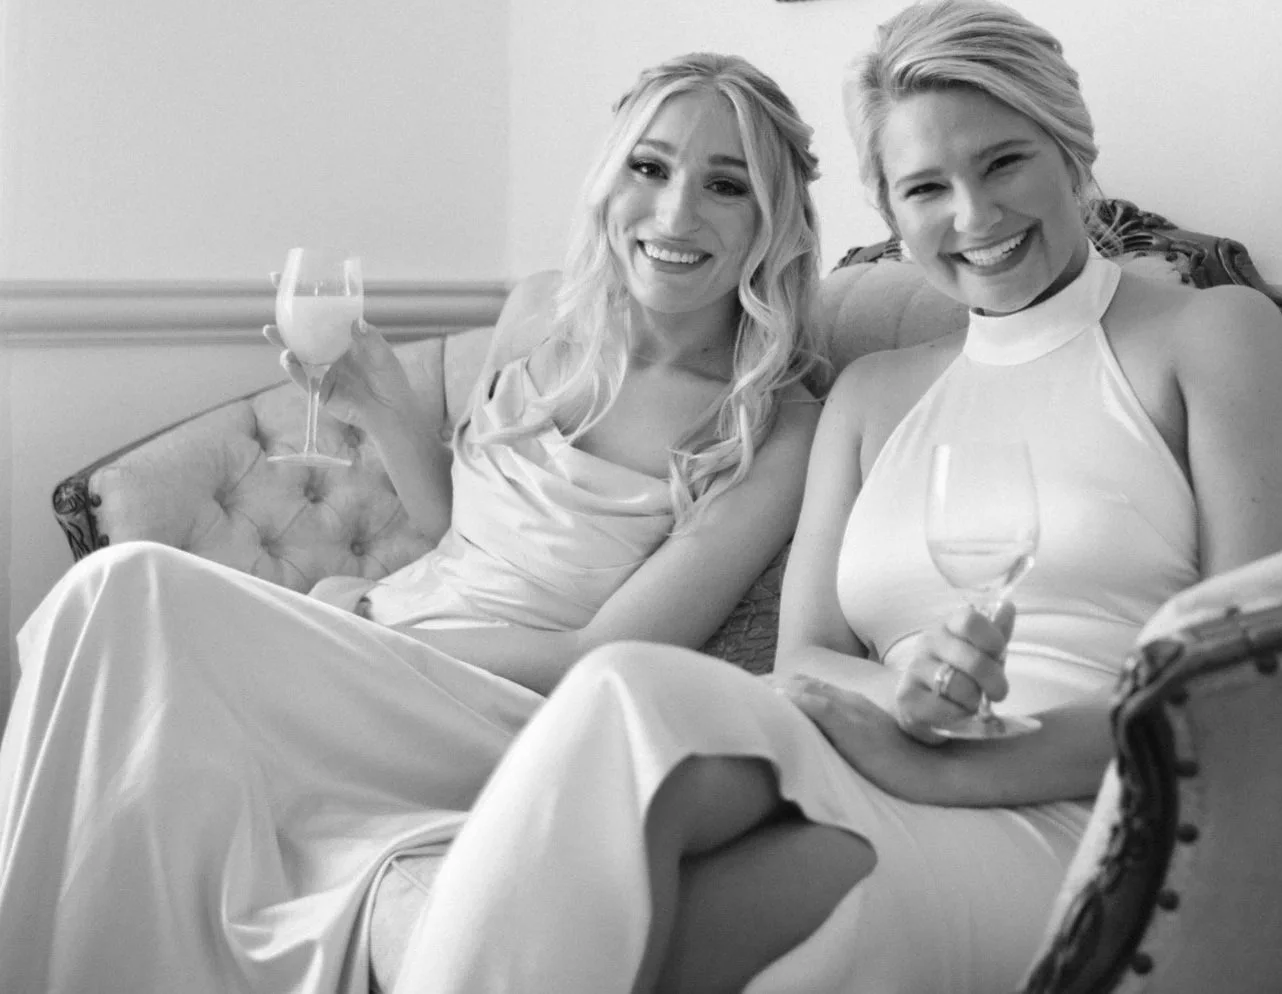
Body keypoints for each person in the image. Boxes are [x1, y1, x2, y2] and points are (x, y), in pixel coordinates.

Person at [389, 0, 1282, 994]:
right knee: (621, 688)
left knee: (697, 920)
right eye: (926, 186)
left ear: (1071, 150)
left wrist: (950, 761)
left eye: (1003, 160)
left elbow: (1248, 686)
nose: (972, 215)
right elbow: (808, 658)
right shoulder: (873, 394)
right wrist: (909, 701)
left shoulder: (1209, 336)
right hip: (877, 757)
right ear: (889, 212)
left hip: (1090, 803)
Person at [0, 53, 826, 994]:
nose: (676, 214)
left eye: (727, 185)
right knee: (106, 652)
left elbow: (610, 655)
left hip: (505, 709)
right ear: (610, 179)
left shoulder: (771, 422)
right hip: (380, 645)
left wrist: (376, 628)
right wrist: (381, 407)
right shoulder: (540, 314)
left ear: (771, 219)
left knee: (123, 587)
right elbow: (456, 532)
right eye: (652, 167)